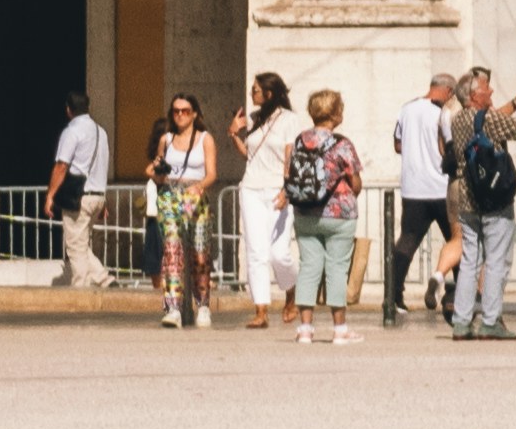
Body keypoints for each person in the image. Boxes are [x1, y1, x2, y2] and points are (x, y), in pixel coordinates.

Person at [448, 61, 516, 343]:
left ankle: (461, 322)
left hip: (467, 199)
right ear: (475, 96)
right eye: (486, 89)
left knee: (470, 261)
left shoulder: (459, 120)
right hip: (494, 200)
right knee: (497, 260)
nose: (491, 91)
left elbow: (495, 118)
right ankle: (490, 321)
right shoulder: (487, 120)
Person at [285, 89, 367, 345]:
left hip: (304, 212)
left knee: (309, 267)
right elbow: (355, 182)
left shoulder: (300, 141)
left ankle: (305, 329)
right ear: (335, 114)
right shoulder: (341, 144)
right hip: (338, 214)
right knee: (336, 269)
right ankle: (340, 330)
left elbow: (289, 173)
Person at [385, 69, 459, 326]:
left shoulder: (406, 109)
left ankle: (393, 297)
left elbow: (397, 144)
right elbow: (450, 147)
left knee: (406, 242)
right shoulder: (444, 114)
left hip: (413, 188)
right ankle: (459, 295)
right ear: (449, 91)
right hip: (441, 188)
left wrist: (414, 150)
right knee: (457, 242)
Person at [145, 90, 221, 328]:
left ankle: (203, 304)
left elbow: (212, 174)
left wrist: (199, 187)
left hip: (195, 195)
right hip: (170, 194)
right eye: (176, 111)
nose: (180, 115)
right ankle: (173, 307)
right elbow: (158, 169)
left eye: (185, 111)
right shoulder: (166, 140)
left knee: (199, 252)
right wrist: (155, 172)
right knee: (172, 250)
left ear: (194, 113)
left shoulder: (204, 138)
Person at [232, 71, 300, 330]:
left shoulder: (289, 120)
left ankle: (292, 291)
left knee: (278, 253)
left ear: (270, 93)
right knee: (255, 251)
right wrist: (234, 135)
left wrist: (287, 189)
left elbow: (289, 156)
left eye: (256, 90)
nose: (252, 94)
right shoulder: (253, 119)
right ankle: (260, 309)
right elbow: (250, 155)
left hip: (277, 189)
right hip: (250, 187)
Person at [46, 89, 108, 290]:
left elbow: (62, 166)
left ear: (68, 110)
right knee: (81, 244)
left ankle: (80, 289)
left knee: (74, 248)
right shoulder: (101, 132)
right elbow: (102, 167)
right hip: (97, 195)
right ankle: (104, 279)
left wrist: (50, 196)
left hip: (78, 198)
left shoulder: (71, 132)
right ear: (87, 107)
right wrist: (103, 201)